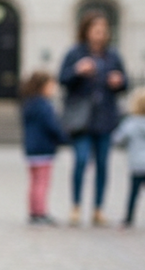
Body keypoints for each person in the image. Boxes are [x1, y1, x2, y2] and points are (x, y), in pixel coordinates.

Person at [58, 11, 127, 226]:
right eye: (96, 30)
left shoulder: (113, 55)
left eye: (104, 30)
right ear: (86, 31)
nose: (100, 34)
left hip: (105, 118)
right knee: (80, 161)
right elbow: (62, 79)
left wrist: (119, 81)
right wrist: (78, 71)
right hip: (82, 119)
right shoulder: (75, 53)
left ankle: (98, 209)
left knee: (103, 165)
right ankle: (76, 206)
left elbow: (125, 84)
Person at [19, 71, 66, 225]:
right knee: (42, 182)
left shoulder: (28, 104)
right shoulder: (45, 105)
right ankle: (40, 212)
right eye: (51, 86)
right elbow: (52, 126)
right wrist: (63, 138)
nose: (53, 89)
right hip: (44, 148)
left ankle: (33, 210)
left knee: (34, 182)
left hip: (31, 148)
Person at [112, 88, 145, 228]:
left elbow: (118, 139)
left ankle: (128, 218)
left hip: (137, 164)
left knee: (133, 193)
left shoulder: (130, 122)